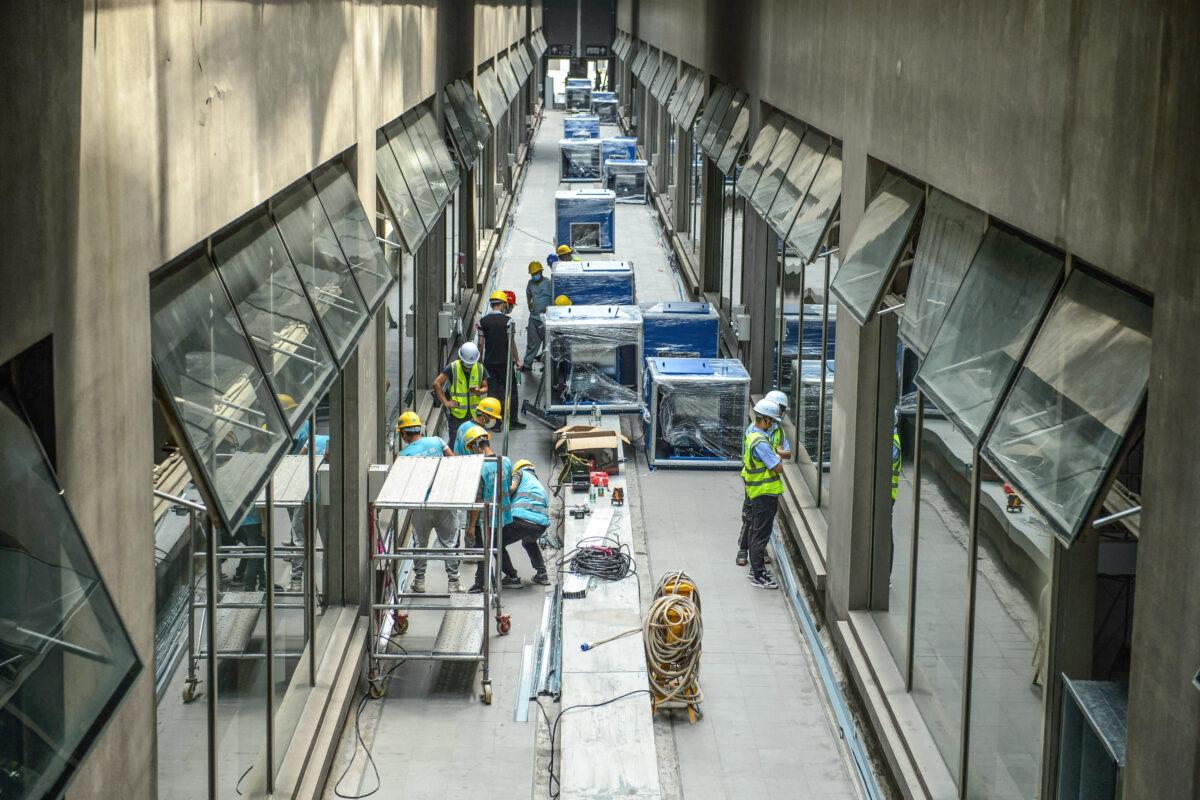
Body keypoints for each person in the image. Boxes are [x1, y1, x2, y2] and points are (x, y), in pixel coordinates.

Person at [395, 411, 462, 593]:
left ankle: (420, 581)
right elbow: (454, 463)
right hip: (445, 500)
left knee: (420, 543)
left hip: (421, 504)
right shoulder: (437, 441)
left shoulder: (403, 455)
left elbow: (399, 481)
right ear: (420, 429)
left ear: (403, 433)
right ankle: (453, 582)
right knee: (449, 543)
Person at [461, 427, 521, 593]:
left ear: (476, 446)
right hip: (502, 515)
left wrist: (471, 525)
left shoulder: (480, 468)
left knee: (484, 549)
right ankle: (512, 576)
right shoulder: (506, 461)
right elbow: (508, 487)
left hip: (485, 518)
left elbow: (478, 500)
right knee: (496, 546)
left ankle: (482, 583)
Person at [736, 391, 790, 567]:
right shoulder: (755, 431)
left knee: (761, 522)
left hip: (768, 485)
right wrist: (776, 456)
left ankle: (758, 550)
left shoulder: (778, 431)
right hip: (755, 481)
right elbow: (771, 460)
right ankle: (744, 549)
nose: (780, 414)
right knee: (750, 516)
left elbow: (787, 452)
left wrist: (778, 455)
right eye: (779, 409)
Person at [477, 290, 526, 429]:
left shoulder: (482, 321)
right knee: (511, 391)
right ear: (503, 304)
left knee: (493, 392)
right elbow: (512, 342)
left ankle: (495, 423)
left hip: (489, 362)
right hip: (505, 362)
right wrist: (517, 360)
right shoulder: (508, 321)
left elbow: (480, 343)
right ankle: (512, 422)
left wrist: (479, 362)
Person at [505, 459, 551, 585]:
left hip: (521, 520)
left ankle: (512, 577)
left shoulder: (520, 473)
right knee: (529, 542)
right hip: (540, 525)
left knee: (495, 543)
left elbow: (512, 488)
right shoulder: (538, 485)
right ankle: (542, 573)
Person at [433, 342, 488, 445]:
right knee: (456, 444)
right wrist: (445, 402)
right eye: (466, 366)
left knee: (475, 444)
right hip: (457, 417)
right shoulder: (453, 368)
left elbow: (485, 387)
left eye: (470, 366)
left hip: (475, 415)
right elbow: (436, 383)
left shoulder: (480, 368)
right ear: (461, 359)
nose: (468, 369)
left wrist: (478, 391)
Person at [522, 261, 553, 370]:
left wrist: (548, 309)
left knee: (547, 342)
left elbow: (554, 298)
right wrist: (529, 302)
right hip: (534, 317)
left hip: (545, 318)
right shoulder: (530, 283)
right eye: (532, 274)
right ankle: (527, 363)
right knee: (532, 341)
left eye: (536, 273)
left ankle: (547, 365)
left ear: (541, 271)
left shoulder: (548, 283)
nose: (534, 275)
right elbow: (528, 293)